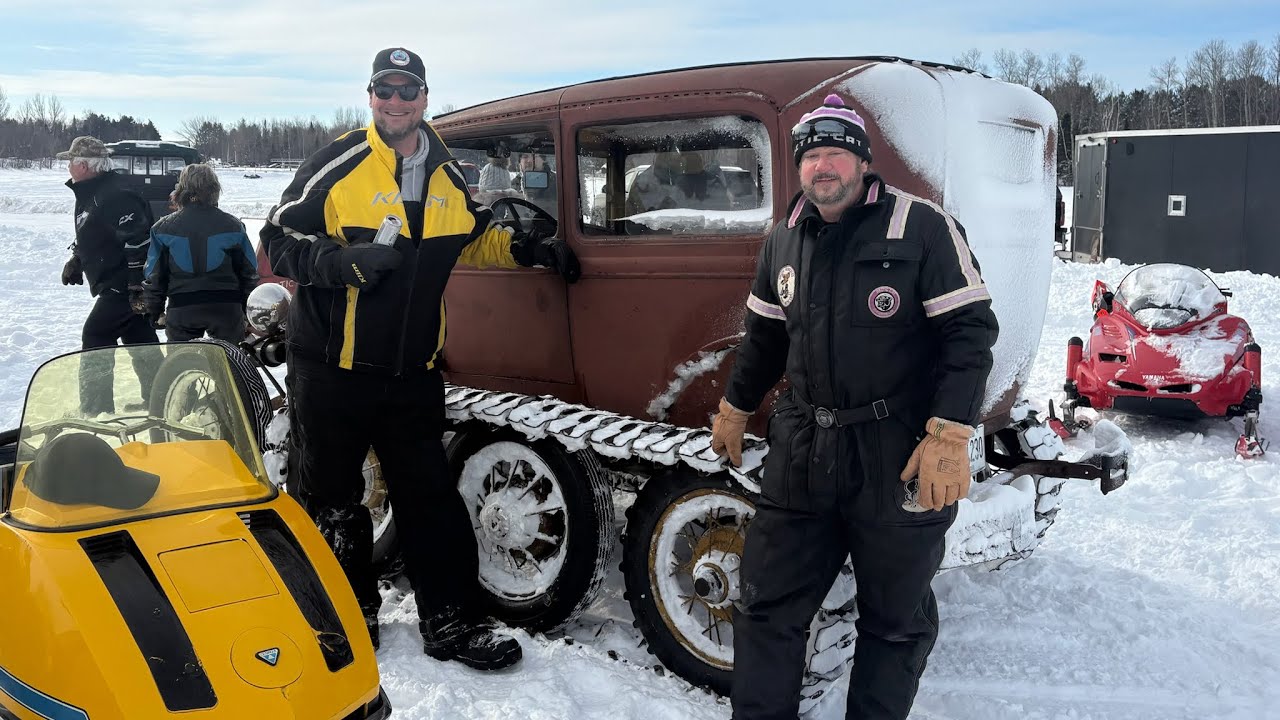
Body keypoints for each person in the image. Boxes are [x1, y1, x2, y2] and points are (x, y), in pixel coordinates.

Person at [261, 46, 579, 671]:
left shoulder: (444, 171)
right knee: (331, 498)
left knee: (428, 498)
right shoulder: (341, 161)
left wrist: (529, 247)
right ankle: (343, 620)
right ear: (371, 95)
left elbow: (475, 237)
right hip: (332, 369)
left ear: (425, 98)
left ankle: (450, 623)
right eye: (386, 90)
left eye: (408, 91)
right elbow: (275, 237)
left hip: (411, 373)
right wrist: (338, 264)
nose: (396, 102)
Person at [710, 94, 999, 720]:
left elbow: (970, 333)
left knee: (894, 624)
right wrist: (735, 408)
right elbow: (763, 339)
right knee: (765, 608)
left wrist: (950, 433)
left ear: (863, 161)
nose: (823, 167)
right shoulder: (782, 238)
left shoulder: (920, 227)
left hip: (894, 451)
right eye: (812, 155)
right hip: (803, 452)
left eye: (836, 152)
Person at [57, 135, 163, 415]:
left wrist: (136, 287)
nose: (67, 166)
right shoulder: (92, 191)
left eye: (70, 160)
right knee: (138, 335)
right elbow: (96, 232)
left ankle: (96, 410)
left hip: (123, 285)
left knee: (96, 334)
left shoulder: (116, 195)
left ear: (84, 165)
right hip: (115, 283)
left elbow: (139, 241)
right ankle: (160, 399)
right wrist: (78, 259)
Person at [143, 163, 258, 342]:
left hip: (182, 308)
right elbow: (249, 271)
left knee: (181, 363)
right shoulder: (234, 225)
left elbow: (155, 274)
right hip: (226, 308)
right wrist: (248, 310)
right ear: (214, 189)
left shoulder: (162, 228)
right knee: (230, 362)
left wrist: (154, 309)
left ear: (181, 190)